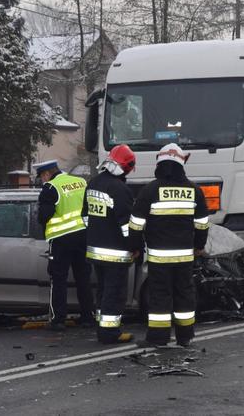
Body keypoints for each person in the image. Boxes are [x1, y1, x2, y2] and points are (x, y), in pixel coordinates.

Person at [129, 143, 209, 347]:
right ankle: (185, 337)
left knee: (159, 295)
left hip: (159, 257)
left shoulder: (150, 190)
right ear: (182, 164)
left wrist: (135, 247)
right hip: (185, 257)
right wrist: (199, 245)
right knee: (185, 294)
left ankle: (158, 338)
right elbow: (202, 223)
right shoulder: (194, 190)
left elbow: (136, 224)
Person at [82, 145, 136, 344]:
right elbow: (126, 226)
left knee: (103, 290)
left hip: (95, 250)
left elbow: (85, 216)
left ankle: (101, 326)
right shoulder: (120, 190)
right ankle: (110, 333)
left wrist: (96, 234)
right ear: (125, 166)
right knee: (114, 292)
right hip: (115, 253)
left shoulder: (93, 183)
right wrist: (134, 246)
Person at [34, 160, 95, 330]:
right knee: (83, 277)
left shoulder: (51, 188)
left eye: (42, 177)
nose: (42, 181)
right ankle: (88, 317)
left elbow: (43, 216)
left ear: (46, 174)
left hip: (61, 240)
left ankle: (58, 319)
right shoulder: (81, 182)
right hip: (83, 236)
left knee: (58, 279)